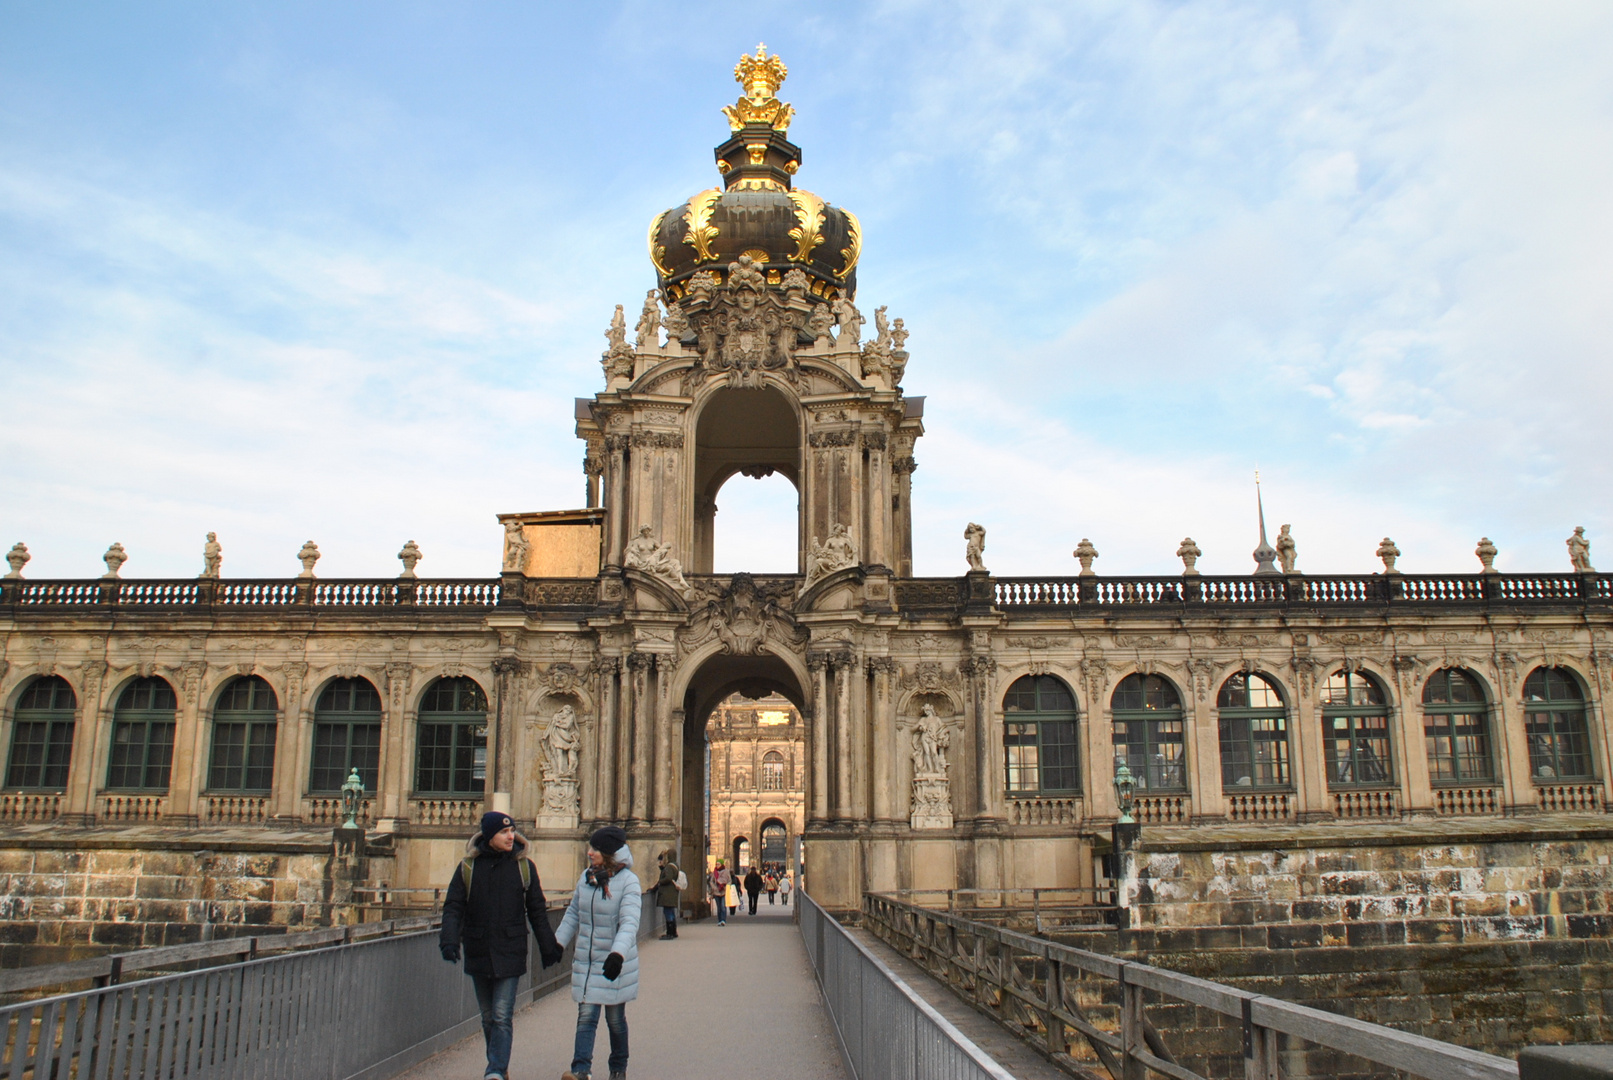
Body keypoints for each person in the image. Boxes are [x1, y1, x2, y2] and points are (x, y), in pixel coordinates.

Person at [439, 811, 564, 1080]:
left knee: (501, 1015)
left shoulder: (523, 867)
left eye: (512, 831)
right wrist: (449, 940)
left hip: (510, 949)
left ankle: (494, 1070)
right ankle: (499, 1067)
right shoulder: (468, 868)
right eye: (504, 832)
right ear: (489, 836)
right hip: (479, 948)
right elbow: (453, 907)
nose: (511, 836)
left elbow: (537, 910)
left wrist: (548, 946)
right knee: (487, 1017)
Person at [556, 826, 641, 1080]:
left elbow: (629, 923)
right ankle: (581, 1070)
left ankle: (618, 1067)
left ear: (609, 853)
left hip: (614, 961)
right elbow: (573, 913)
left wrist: (617, 955)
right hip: (588, 959)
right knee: (586, 1017)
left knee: (615, 1020)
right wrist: (557, 944)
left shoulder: (628, 882)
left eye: (595, 849)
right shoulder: (586, 877)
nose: (589, 852)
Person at [655, 849, 681, 941]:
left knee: (668, 912)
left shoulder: (669, 867)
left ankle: (669, 933)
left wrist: (660, 882)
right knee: (671, 912)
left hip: (667, 893)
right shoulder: (675, 866)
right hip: (672, 893)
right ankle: (673, 932)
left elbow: (668, 878)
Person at [709, 860, 730, 926]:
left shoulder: (726, 872)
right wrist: (714, 887)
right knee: (719, 907)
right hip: (716, 891)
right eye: (716, 864)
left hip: (724, 891)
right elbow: (711, 881)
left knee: (723, 906)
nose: (717, 865)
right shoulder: (714, 872)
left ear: (722, 864)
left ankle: (723, 920)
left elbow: (729, 881)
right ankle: (719, 920)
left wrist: (727, 886)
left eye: (718, 864)